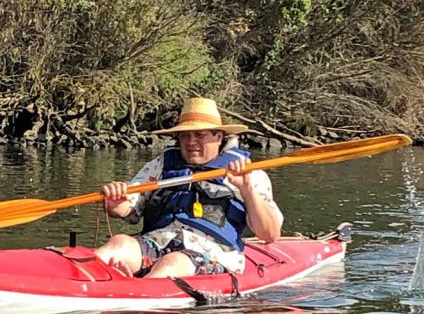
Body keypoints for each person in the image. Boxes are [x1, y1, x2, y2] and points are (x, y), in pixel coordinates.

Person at [94, 97, 283, 278]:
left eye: (200, 135)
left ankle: (136, 294)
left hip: (212, 253)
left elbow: (269, 234)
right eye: (185, 135)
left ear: (218, 137)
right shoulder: (161, 165)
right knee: (119, 243)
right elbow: (127, 209)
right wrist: (115, 202)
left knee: (173, 262)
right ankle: (84, 280)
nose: (191, 141)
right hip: (157, 242)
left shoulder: (248, 173)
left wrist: (247, 190)